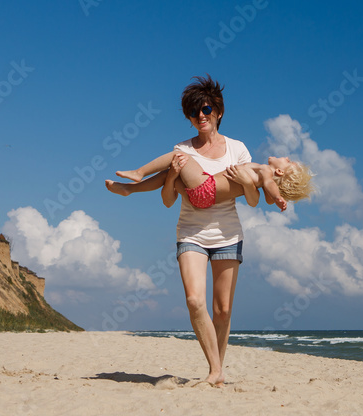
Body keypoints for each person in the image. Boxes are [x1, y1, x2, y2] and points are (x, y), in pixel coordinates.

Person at [106, 76, 249, 386]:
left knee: (222, 311)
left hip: (227, 235)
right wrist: (171, 177)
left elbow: (247, 189)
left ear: (219, 111)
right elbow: (169, 200)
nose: (201, 116)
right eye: (194, 112)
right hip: (191, 233)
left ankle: (217, 371)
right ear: (189, 117)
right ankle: (215, 371)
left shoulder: (237, 149)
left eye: (206, 109)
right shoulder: (182, 149)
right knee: (195, 301)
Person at [106, 151, 314, 212]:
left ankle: (139, 172)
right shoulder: (260, 180)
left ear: (278, 171)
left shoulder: (265, 173)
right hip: (203, 199)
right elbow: (266, 199)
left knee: (178, 156)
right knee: (168, 174)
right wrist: (275, 199)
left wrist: (278, 196)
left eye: (289, 161)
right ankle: (128, 189)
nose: (287, 157)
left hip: (205, 187)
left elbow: (269, 188)